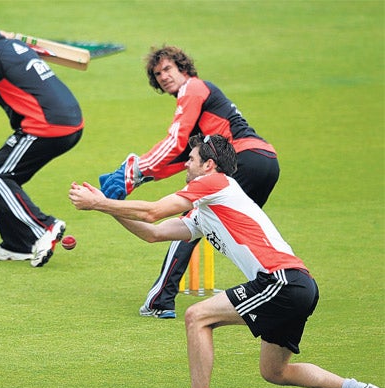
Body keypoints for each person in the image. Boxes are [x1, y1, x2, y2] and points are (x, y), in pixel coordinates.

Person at [69, 134, 384, 388]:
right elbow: (154, 233)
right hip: (297, 285)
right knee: (274, 372)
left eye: (190, 159)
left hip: (280, 281)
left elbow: (153, 211)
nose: (185, 165)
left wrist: (98, 203)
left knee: (197, 316)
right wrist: (108, 208)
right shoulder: (206, 209)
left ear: (208, 165)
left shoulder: (214, 182)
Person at [98, 46, 279, 318]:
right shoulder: (200, 106)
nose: (163, 76)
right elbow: (184, 159)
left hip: (243, 159)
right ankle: (271, 289)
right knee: (243, 230)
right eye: (157, 74)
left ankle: (160, 299)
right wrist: (137, 178)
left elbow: (175, 141)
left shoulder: (192, 89)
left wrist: (132, 172)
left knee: (190, 224)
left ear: (183, 68)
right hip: (266, 161)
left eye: (168, 69)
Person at [0, 9, 84, 267]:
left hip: (45, 125)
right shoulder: (12, 45)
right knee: (3, 177)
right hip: (70, 122)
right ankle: (17, 244)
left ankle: (45, 226)